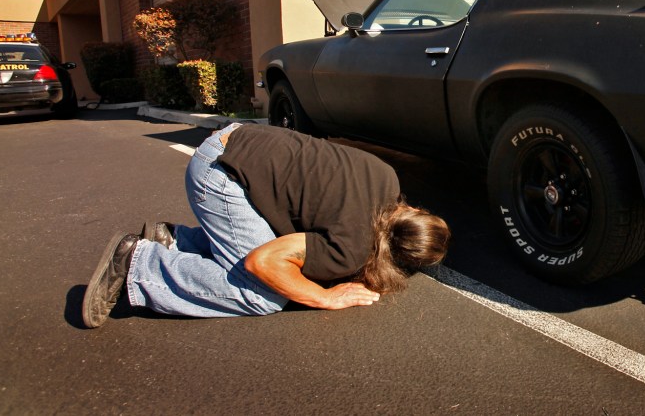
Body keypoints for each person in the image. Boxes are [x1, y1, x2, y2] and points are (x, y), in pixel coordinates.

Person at [82, 123, 450, 328]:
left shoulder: (387, 178)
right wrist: (324, 296)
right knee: (262, 293)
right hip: (219, 172)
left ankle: (176, 242)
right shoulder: (350, 248)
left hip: (242, 137)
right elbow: (265, 261)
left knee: (276, 248)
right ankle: (140, 264)